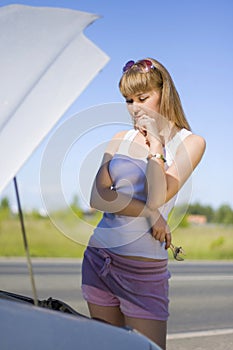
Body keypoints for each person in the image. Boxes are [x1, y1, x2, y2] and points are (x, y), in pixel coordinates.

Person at [81, 58, 206, 349]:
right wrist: (150, 215)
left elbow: (158, 196)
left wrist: (157, 149)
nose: (135, 107)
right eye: (128, 100)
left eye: (142, 97)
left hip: (143, 272)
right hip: (99, 259)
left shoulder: (191, 143)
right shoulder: (119, 138)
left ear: (164, 93)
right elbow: (98, 197)